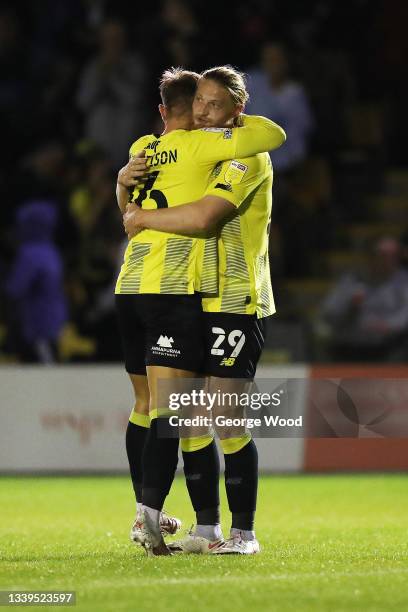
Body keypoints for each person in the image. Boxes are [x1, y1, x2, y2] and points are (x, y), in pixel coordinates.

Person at [115, 67, 285, 555]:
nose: (205, 112)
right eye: (201, 104)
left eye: (215, 104)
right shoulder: (198, 152)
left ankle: (245, 534)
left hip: (235, 298)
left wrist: (139, 214)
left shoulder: (244, 156)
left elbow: (207, 217)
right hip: (196, 295)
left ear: (237, 109)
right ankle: (207, 528)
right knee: (190, 416)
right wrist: (123, 180)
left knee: (227, 417)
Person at [321, 237, 408, 362]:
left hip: (390, 347)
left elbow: (405, 315)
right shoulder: (351, 280)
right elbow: (328, 314)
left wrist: (387, 325)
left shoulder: (404, 281)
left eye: (394, 256)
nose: (389, 260)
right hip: (349, 347)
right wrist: (350, 305)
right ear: (371, 257)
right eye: (383, 255)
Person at [4, 201, 67, 363]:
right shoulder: (51, 250)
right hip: (55, 319)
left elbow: (15, 289)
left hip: (38, 323)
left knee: (43, 369)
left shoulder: (30, 253)